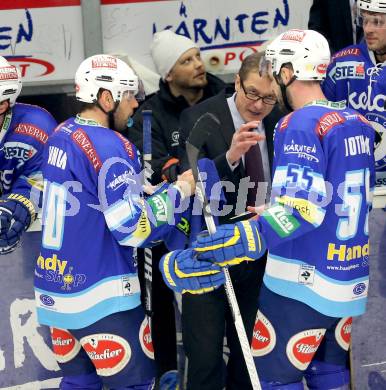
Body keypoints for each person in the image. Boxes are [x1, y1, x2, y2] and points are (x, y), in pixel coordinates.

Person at [179, 29, 375, 389]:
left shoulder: (297, 122)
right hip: (348, 278)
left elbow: (303, 209)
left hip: (301, 284)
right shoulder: (356, 122)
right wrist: (274, 208)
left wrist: (248, 233)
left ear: (287, 73)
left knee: (271, 380)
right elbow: (329, 196)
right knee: (329, 375)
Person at [33, 54, 201, 390]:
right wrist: (181, 191)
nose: (136, 103)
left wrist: (150, 191)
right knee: (135, 385)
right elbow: (134, 228)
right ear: (106, 98)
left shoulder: (61, 133)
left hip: (55, 293)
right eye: (128, 95)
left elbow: (89, 199)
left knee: (78, 382)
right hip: (102, 298)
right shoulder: (112, 144)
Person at [173, 52, 285, 390]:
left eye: (268, 97)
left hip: (260, 254)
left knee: (249, 359)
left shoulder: (282, 119)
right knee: (205, 360)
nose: (259, 104)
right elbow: (188, 183)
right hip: (209, 254)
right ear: (237, 82)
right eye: (252, 93)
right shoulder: (199, 116)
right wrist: (230, 157)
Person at [127, 29, 226, 382]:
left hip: (223, 217)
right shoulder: (149, 112)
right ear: (169, 73)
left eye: (198, 56)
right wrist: (171, 169)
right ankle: (167, 374)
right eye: (187, 60)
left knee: (220, 308)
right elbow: (146, 157)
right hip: (171, 227)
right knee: (162, 307)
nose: (199, 65)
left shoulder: (224, 95)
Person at [322, 0, 386, 187]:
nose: (368, 29)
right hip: (350, 182)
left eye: (377, 22)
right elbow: (321, 120)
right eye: (364, 21)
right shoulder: (341, 63)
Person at [0, 56, 57, 255]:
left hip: (31, 250)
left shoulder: (36, 126)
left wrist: (20, 204)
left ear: (3, 105)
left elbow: (45, 178)